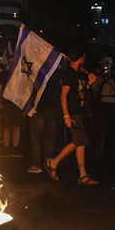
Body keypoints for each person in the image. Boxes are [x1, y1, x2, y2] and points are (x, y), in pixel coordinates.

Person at [44, 49, 99, 185]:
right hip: (73, 113)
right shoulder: (68, 73)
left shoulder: (78, 73)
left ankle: (82, 175)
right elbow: (63, 96)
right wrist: (67, 116)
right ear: (81, 57)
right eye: (84, 57)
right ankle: (54, 163)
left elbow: (80, 90)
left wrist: (90, 83)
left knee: (80, 143)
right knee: (80, 141)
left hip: (78, 112)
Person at [27, 65, 61, 173]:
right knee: (50, 138)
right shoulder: (57, 73)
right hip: (52, 108)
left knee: (36, 138)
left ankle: (37, 165)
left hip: (38, 109)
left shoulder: (39, 72)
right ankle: (49, 163)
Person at [90, 56, 115, 162]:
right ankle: (98, 152)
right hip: (102, 104)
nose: (106, 66)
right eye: (104, 64)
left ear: (111, 66)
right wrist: (99, 83)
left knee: (114, 129)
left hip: (113, 104)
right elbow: (94, 93)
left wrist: (112, 84)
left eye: (107, 65)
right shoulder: (99, 77)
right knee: (99, 129)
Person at [0, 56, 24, 157]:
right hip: (7, 105)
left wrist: (24, 105)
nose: (11, 64)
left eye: (13, 62)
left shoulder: (20, 76)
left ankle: (15, 148)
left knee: (16, 127)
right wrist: (0, 103)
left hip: (17, 105)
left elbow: (24, 91)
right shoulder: (4, 75)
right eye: (9, 62)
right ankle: (6, 148)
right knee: (7, 128)